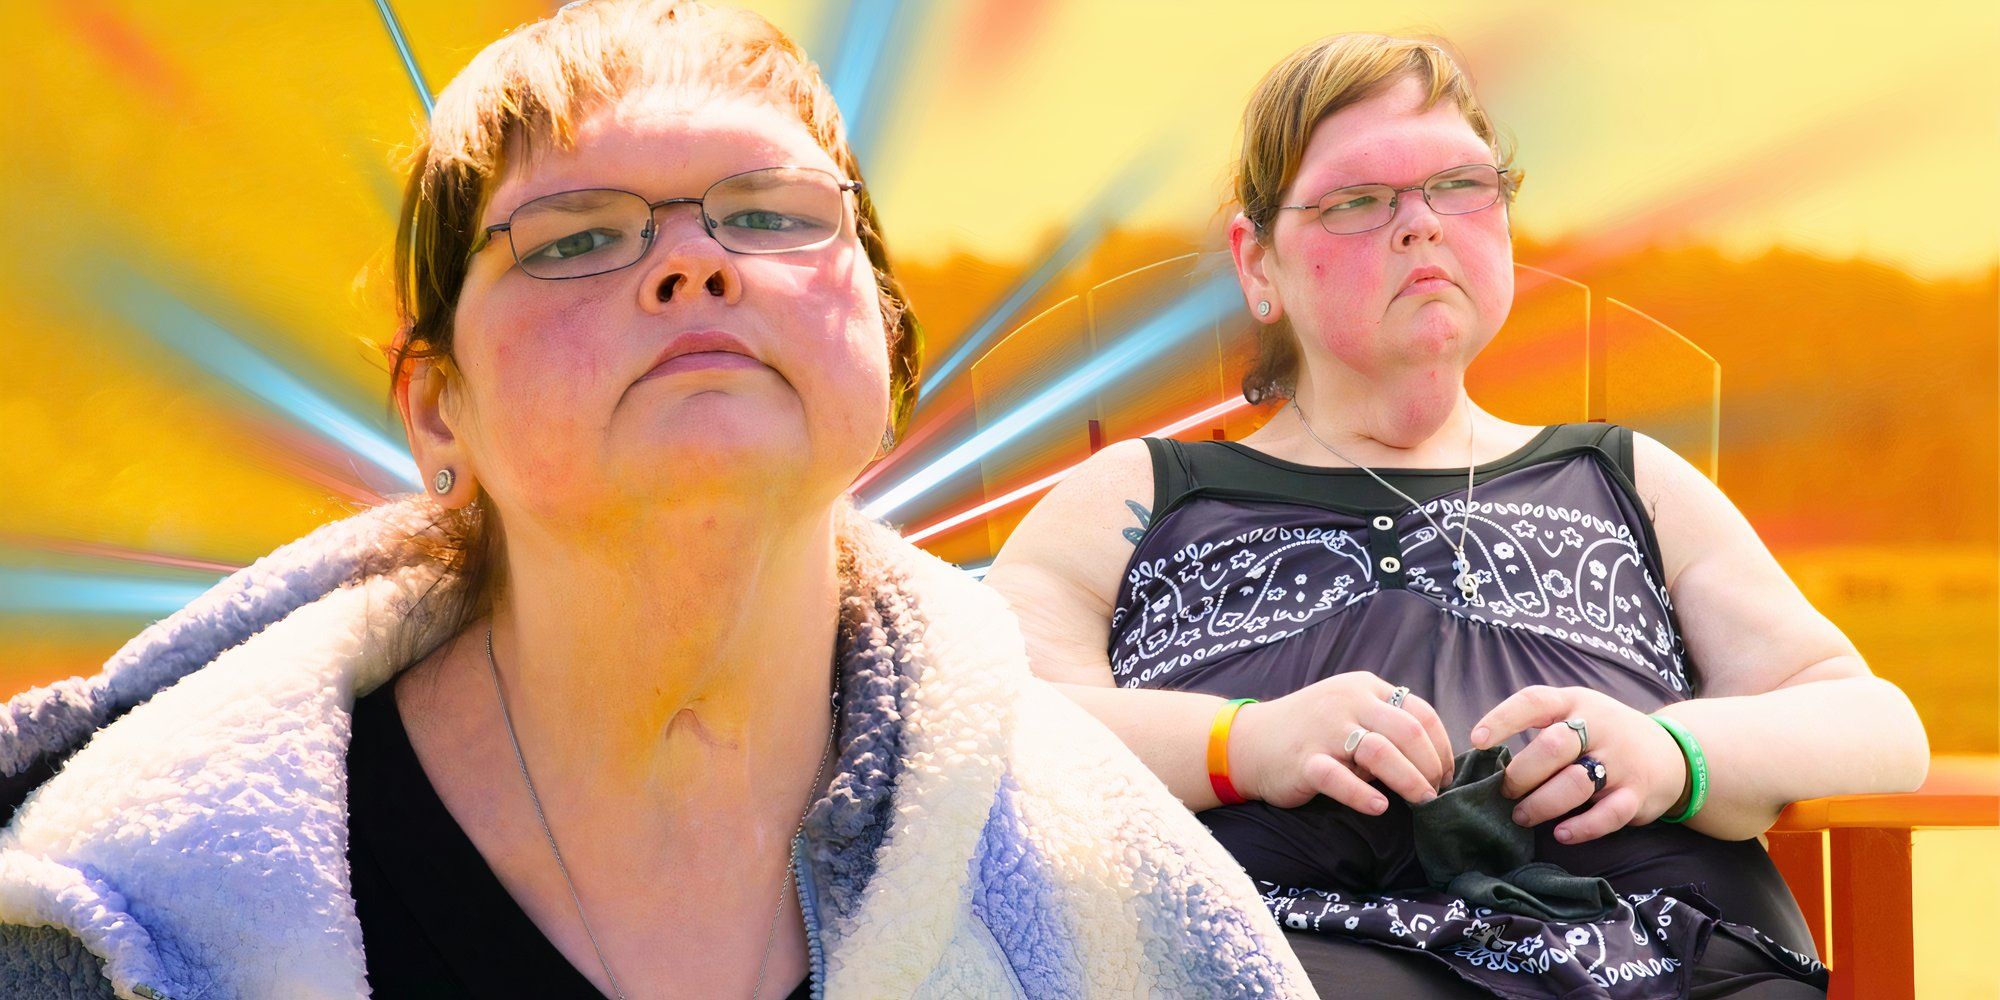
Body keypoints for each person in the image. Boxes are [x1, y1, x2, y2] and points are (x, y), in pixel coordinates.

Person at [0, 3, 1315, 997]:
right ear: (436, 406)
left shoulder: (1121, 898)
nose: (693, 264)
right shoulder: (115, 915)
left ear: (888, 346)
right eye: (574, 236)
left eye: (774, 214)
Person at [984, 32, 1927, 999]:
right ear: (1256, 262)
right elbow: (986, 719)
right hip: (1295, 951)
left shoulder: (1628, 479)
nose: (1421, 225)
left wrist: (1671, 754)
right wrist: (1245, 744)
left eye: (1461, 185)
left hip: (1667, 954)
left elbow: (1873, 721)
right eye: (1358, 201)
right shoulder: (1143, 498)